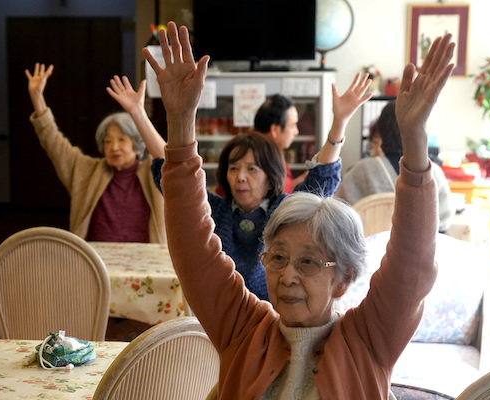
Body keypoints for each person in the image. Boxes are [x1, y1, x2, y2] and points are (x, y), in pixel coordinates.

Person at [144, 21, 452, 398]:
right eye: (277, 258)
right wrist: (179, 122)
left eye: (308, 262)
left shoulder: (370, 338)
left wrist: (415, 137)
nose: (287, 276)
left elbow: (412, 267)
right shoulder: (242, 330)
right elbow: (193, 249)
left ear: (343, 279)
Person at [148, 74, 371, 300]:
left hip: (274, 312)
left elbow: (321, 178)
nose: (241, 177)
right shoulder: (216, 209)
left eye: (252, 169)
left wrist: (340, 122)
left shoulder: (284, 210)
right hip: (221, 312)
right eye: (233, 168)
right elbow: (177, 179)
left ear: (270, 176)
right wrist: (139, 113)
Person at [25, 64, 165, 243]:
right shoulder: (86, 171)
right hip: (96, 261)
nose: (114, 147)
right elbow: (53, 142)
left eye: (122, 140)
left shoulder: (153, 172)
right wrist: (37, 98)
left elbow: (168, 159)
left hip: (147, 261)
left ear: (138, 147)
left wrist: (138, 112)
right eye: (107, 141)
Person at [336, 102, 454, 232]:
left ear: (382, 132)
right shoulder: (433, 172)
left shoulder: (361, 170)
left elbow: (338, 214)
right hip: (423, 251)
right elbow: (443, 223)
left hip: (368, 249)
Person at [253, 94, 303, 192]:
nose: (296, 132)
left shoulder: (273, 152)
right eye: (293, 125)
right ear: (275, 130)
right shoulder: (256, 158)